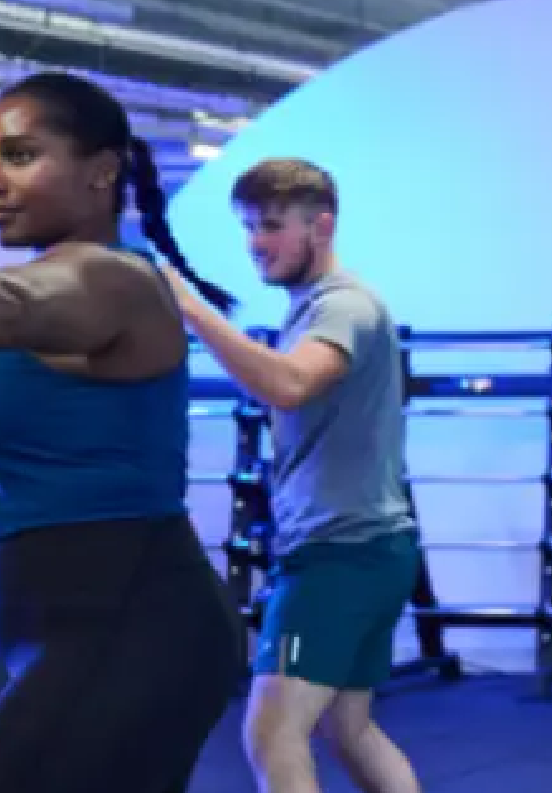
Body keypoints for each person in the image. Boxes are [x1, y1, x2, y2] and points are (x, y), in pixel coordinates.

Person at [0, 70, 248, 793]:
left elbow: (12, 308)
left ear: (101, 171)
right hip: (65, 625)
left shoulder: (112, 278)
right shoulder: (46, 290)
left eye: (20, 155)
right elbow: (9, 481)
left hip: (132, 622)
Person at [166, 158, 422, 793]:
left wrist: (190, 311)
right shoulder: (317, 306)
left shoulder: (344, 308)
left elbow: (289, 384)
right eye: (251, 227)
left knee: (271, 730)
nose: (257, 242)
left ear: (322, 226)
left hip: (341, 555)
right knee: (349, 728)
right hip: (366, 547)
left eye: (273, 226)